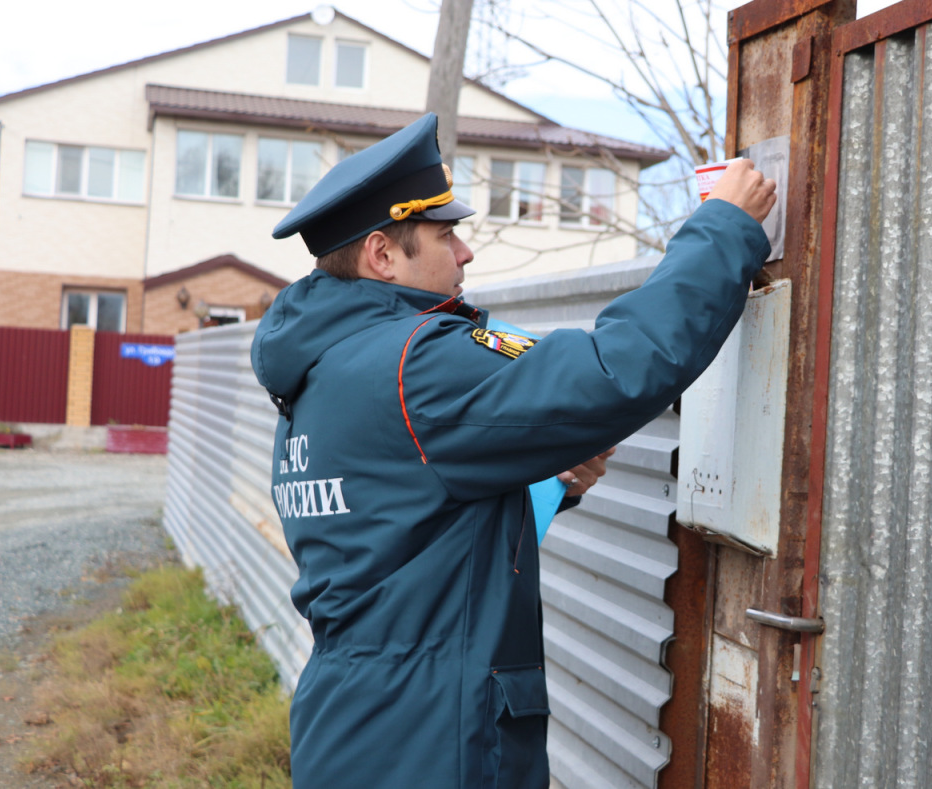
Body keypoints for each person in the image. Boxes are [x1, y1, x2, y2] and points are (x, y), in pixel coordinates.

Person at [251, 112, 775, 789]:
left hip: (353, 726)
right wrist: (724, 226)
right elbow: (615, 370)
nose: (464, 252)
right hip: (432, 739)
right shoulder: (414, 362)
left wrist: (551, 482)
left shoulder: (318, 376)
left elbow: (407, 534)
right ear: (382, 254)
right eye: (445, 234)